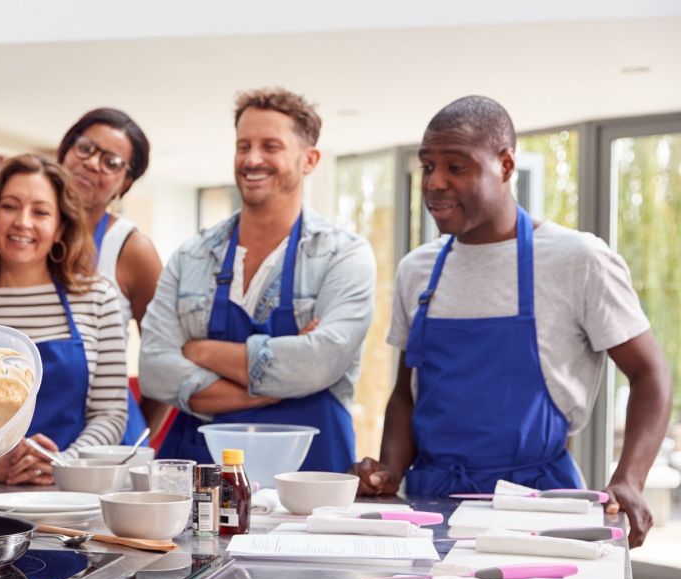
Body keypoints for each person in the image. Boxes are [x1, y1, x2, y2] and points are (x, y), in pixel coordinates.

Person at [354, 95, 670, 547]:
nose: (435, 183)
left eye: (456, 167)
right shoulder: (417, 270)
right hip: (431, 506)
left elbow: (650, 373)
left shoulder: (578, 259)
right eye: (428, 167)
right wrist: (388, 472)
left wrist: (630, 478)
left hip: (539, 508)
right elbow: (407, 395)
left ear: (505, 165)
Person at [140, 87, 376, 471]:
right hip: (201, 471)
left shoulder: (344, 256)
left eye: (270, 146)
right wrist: (273, 387)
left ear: (309, 160)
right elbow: (154, 371)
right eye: (243, 145)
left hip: (308, 477)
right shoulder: (191, 256)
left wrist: (201, 352)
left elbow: (319, 363)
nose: (252, 159)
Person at [0, 154, 129, 493]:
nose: (23, 221)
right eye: (10, 206)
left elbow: (110, 412)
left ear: (61, 226)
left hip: (65, 498)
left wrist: (63, 465)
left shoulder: (97, 298)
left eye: (41, 211)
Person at [57, 109, 166, 441]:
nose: (92, 163)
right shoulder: (23, 236)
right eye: (86, 148)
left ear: (126, 182)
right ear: (66, 151)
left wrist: (134, 435)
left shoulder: (132, 249)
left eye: (111, 162)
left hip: (108, 438)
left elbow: (164, 359)